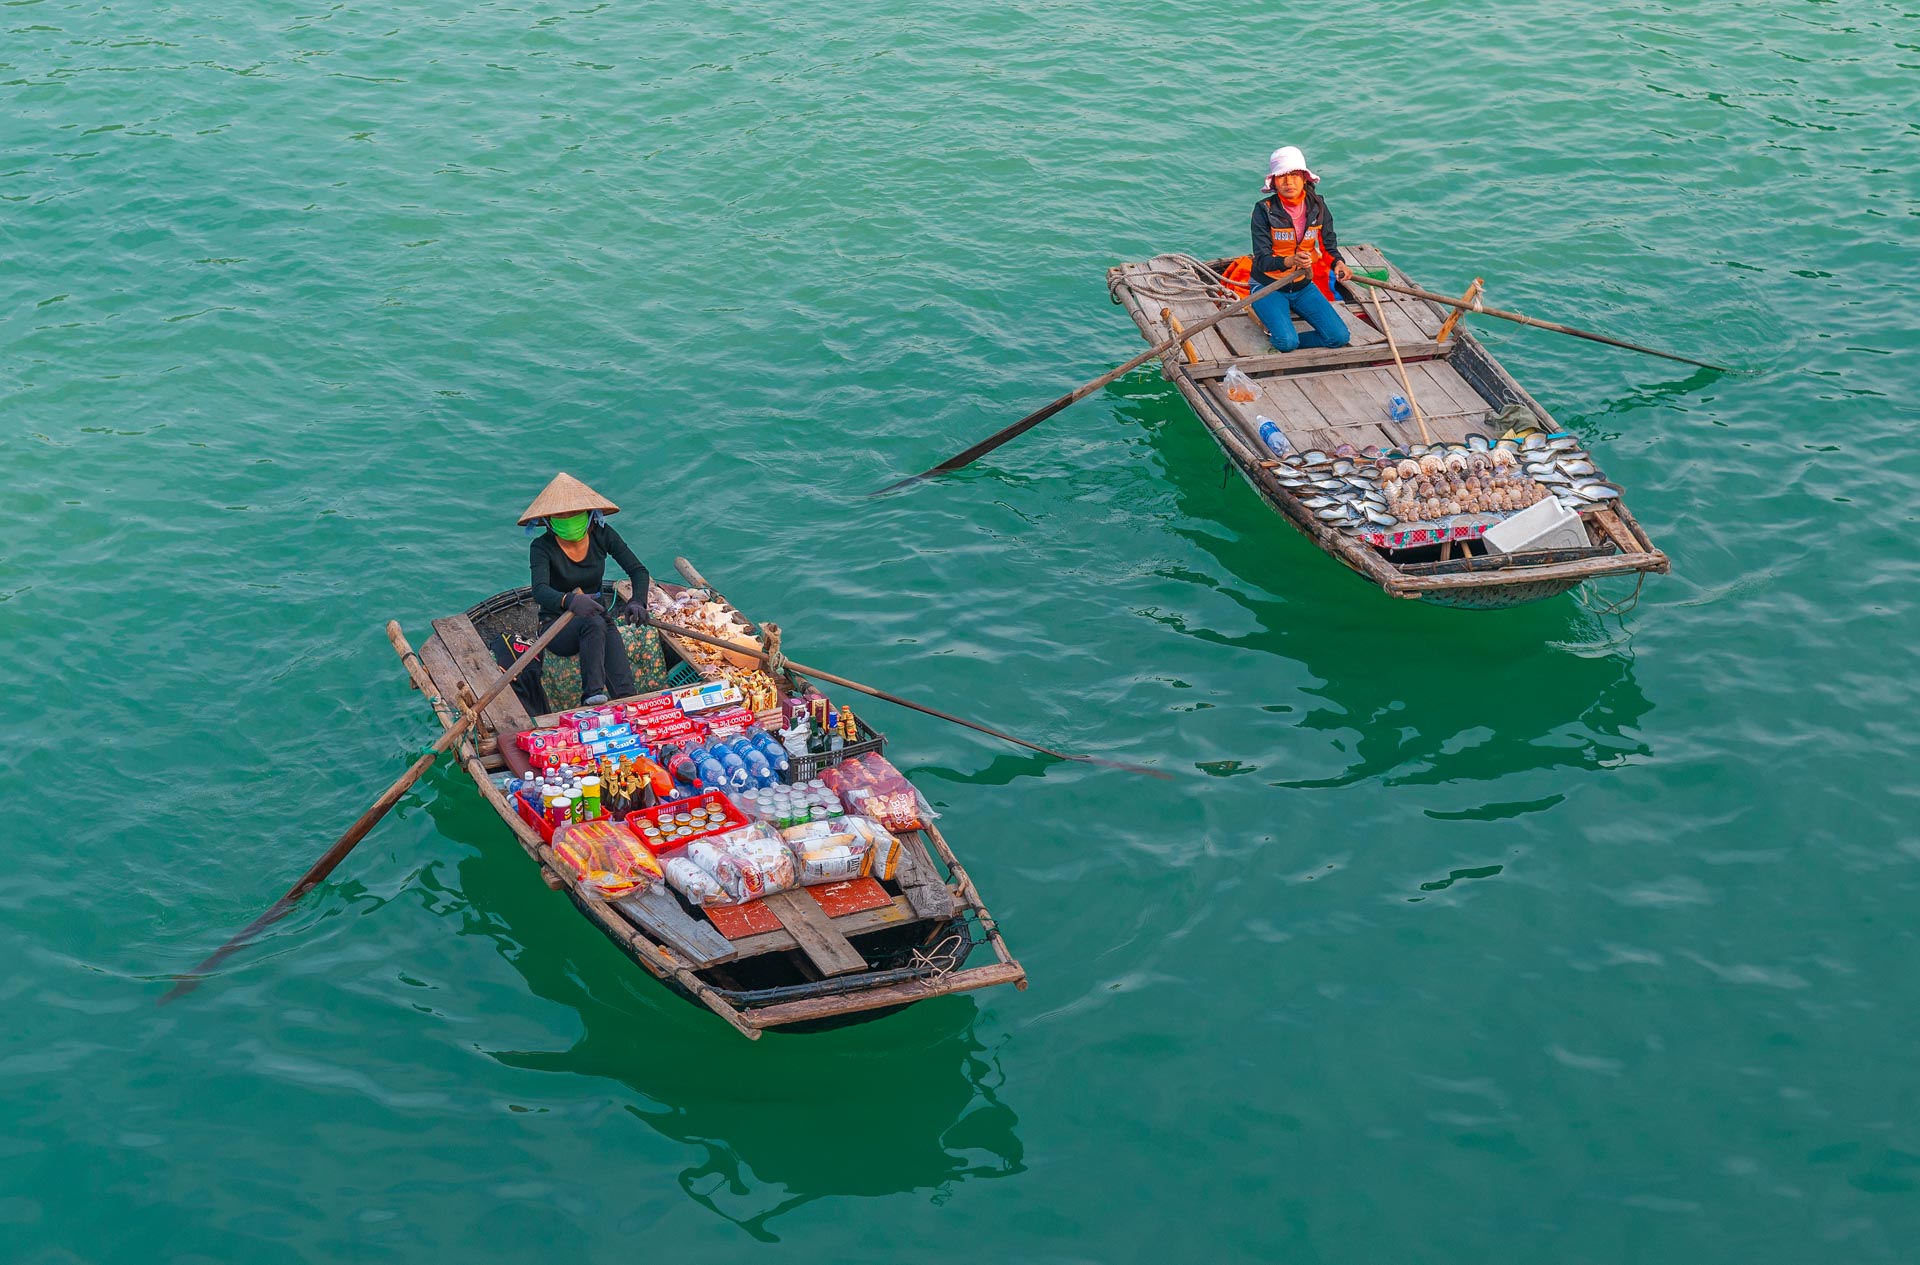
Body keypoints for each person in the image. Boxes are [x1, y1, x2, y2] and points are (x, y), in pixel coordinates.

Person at [519, 472, 651, 706]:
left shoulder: (603, 534)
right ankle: (591, 696)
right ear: (548, 521)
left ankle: (625, 703)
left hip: (599, 618)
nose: (568, 519)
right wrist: (569, 601)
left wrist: (637, 601)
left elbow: (638, 571)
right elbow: (539, 590)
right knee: (594, 622)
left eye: (574, 514)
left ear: (589, 514)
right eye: (561, 516)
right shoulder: (541, 547)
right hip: (556, 627)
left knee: (626, 691)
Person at [1249, 145, 1353, 353]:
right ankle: (1282, 338)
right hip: (1268, 285)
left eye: (1295, 175)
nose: (1289, 182)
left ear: (1305, 178)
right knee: (1286, 343)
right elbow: (1262, 260)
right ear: (1274, 182)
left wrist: (1338, 263)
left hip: (1302, 285)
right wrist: (1291, 261)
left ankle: (1287, 339)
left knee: (1338, 337)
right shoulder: (1263, 210)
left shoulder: (1318, 206)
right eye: (1282, 176)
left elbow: (1328, 244)